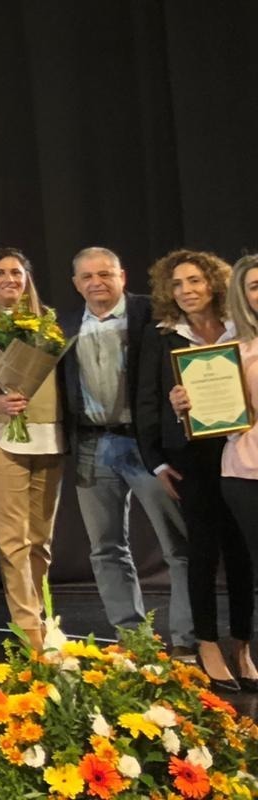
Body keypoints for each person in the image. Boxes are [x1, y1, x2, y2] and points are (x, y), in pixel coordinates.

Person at [59, 248, 193, 654]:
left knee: (179, 547)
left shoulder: (153, 314)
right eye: (87, 276)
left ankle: (187, 640)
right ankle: (132, 638)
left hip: (146, 445)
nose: (96, 282)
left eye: (105, 274)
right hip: (91, 445)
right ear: (76, 283)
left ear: (123, 276)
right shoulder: (65, 326)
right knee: (106, 549)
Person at [138, 249, 253, 691]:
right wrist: (157, 461)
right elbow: (145, 402)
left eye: (194, 281)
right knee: (202, 551)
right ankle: (207, 642)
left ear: (214, 284)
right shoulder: (163, 336)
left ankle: (241, 643)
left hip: (239, 451)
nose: (186, 291)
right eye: (177, 284)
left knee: (242, 553)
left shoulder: (241, 328)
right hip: (191, 457)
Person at [0, 247, 65, 648]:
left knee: (40, 539)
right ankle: (29, 629)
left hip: (49, 436)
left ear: (27, 278)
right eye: (0, 273)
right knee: (12, 539)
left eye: (16, 273)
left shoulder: (47, 323)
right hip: (0, 436)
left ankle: (43, 615)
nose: (9, 280)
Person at [218, 254, 258, 681]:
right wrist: (187, 405)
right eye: (254, 286)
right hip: (247, 471)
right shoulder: (231, 345)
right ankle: (245, 651)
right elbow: (221, 417)